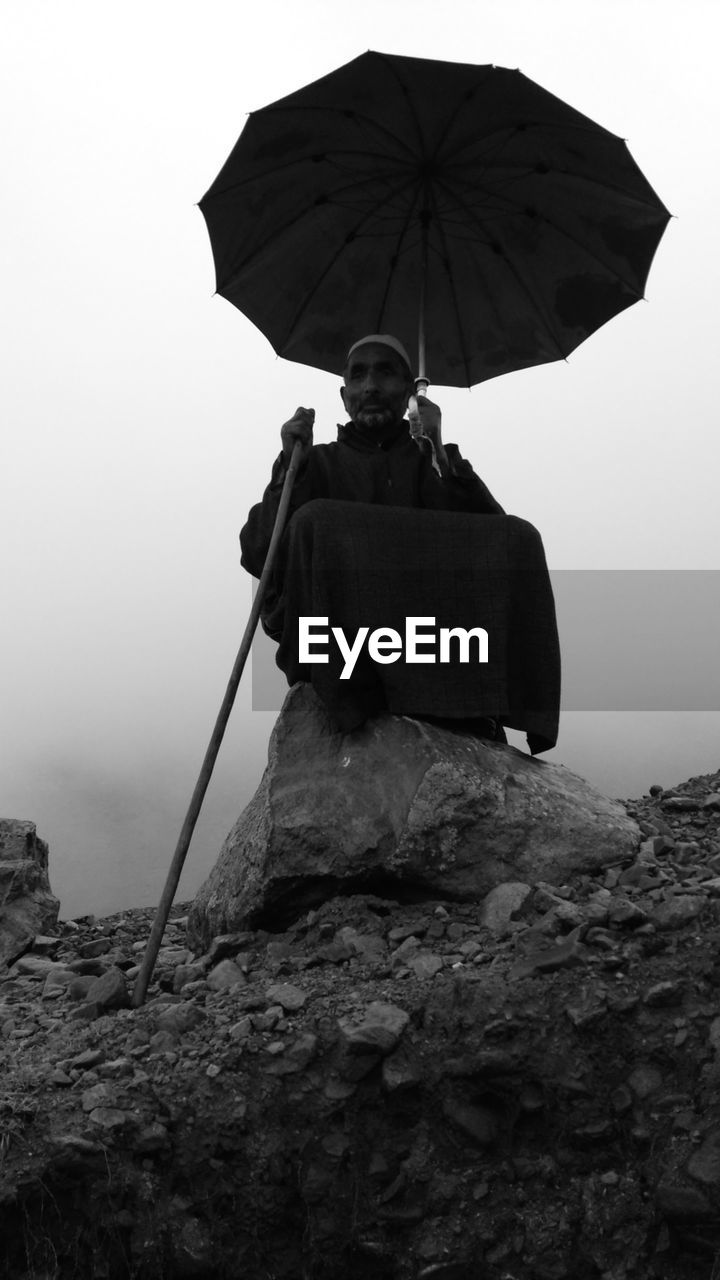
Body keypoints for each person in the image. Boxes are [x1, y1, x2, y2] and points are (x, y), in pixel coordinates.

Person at [241, 335, 560, 752]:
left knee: (523, 536)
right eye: (358, 375)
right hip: (343, 645)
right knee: (314, 520)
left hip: (425, 634)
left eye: (385, 372)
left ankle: (505, 705)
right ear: (343, 396)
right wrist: (288, 466)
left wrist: (439, 456)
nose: (370, 386)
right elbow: (257, 552)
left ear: (411, 391)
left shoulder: (434, 460)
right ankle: (349, 691)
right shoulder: (317, 463)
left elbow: (492, 543)